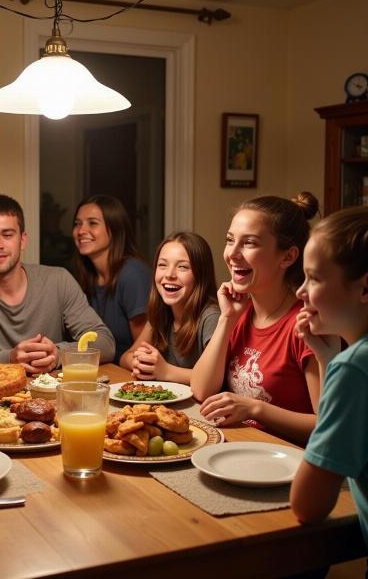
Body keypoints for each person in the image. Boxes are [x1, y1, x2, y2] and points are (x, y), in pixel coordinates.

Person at [190, 192, 321, 445]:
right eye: (230, 240)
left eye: (249, 243)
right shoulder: (240, 313)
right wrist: (227, 319)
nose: (233, 253)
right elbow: (201, 389)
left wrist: (255, 409)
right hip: (239, 447)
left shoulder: (307, 325)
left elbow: (325, 426)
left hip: (286, 463)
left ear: (288, 256)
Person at [0, 193, 115, 372]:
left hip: (53, 396)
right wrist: (8, 359)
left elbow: (105, 342)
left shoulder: (58, 280)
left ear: (23, 240)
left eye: (7, 234)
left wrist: (58, 354)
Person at [290, 207, 368, 546]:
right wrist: (324, 355)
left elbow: (308, 506)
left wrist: (337, 366)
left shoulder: (355, 368)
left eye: (315, 278)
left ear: (365, 288)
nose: (300, 292)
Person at [120, 232, 219, 384]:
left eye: (183, 267)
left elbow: (216, 378)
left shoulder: (211, 317)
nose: (169, 274)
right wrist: (137, 361)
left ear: (201, 276)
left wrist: (166, 371)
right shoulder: (162, 314)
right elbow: (125, 357)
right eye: (163, 265)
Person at [72, 195, 151, 363]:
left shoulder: (133, 275)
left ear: (114, 229)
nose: (81, 231)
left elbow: (144, 348)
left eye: (92, 223)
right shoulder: (87, 277)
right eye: (77, 224)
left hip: (130, 376)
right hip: (103, 373)